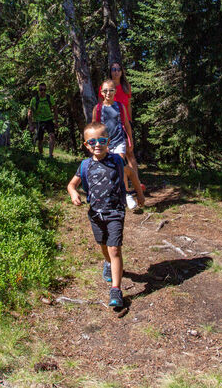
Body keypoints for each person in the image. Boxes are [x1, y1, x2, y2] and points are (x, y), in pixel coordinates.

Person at [66, 122, 144, 310]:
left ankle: (116, 289)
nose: (97, 145)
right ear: (86, 145)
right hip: (95, 214)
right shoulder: (85, 165)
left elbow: (131, 174)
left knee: (114, 249)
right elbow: (71, 184)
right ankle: (108, 263)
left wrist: (139, 194)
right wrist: (73, 193)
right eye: (92, 142)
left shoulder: (117, 160)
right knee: (104, 246)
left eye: (102, 140)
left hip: (115, 211)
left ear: (108, 141)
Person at [93, 79, 145, 210]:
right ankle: (110, 195)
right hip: (104, 144)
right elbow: (94, 127)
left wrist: (130, 140)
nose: (108, 93)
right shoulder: (98, 108)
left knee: (120, 165)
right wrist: (95, 144)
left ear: (115, 91)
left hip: (119, 141)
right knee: (107, 168)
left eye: (111, 90)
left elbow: (126, 124)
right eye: (105, 91)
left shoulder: (120, 107)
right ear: (101, 92)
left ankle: (126, 194)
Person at [101, 62, 146, 193]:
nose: (116, 72)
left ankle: (137, 183)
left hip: (125, 124)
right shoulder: (106, 87)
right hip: (111, 126)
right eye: (113, 69)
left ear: (122, 72)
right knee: (116, 156)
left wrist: (129, 122)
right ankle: (122, 187)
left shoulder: (126, 86)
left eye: (118, 69)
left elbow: (129, 105)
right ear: (110, 72)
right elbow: (101, 106)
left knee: (130, 152)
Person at [27, 82, 55, 157]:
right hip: (39, 121)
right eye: (41, 89)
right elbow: (30, 112)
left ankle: (50, 155)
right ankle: (41, 155)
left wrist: (56, 121)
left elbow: (55, 109)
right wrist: (30, 125)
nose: (43, 91)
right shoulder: (34, 100)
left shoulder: (49, 98)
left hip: (49, 119)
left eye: (44, 90)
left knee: (52, 135)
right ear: (38, 90)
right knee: (40, 140)